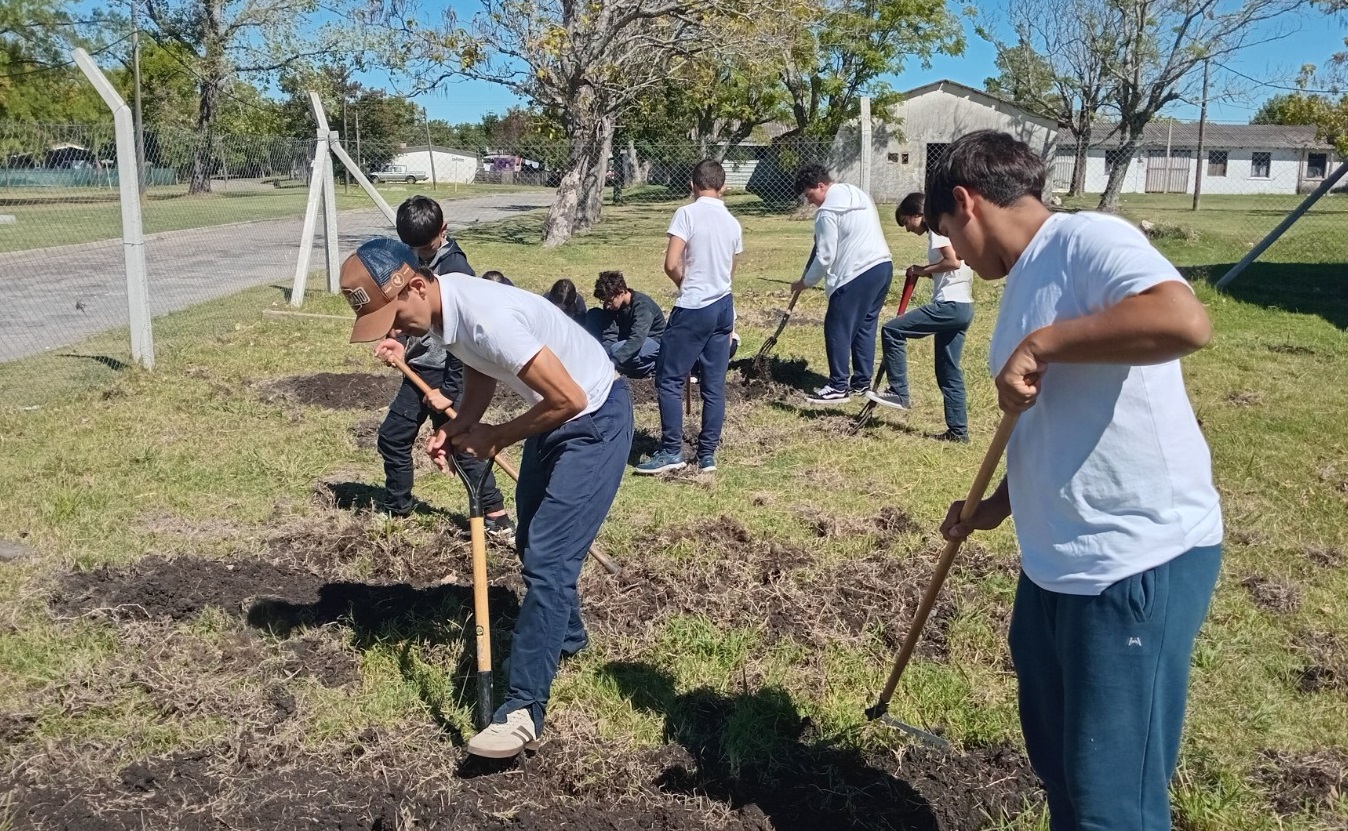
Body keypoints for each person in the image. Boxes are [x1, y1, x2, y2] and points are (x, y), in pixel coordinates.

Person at [933, 130, 1222, 831]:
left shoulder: (1086, 238)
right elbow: (1047, 412)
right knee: (1063, 774)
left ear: (966, 202)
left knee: (1111, 803)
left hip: (1131, 561)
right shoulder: (1026, 275)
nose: (956, 255)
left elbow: (1184, 320)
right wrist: (997, 503)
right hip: (1055, 566)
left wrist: (1043, 343)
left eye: (948, 234)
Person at [342, 237, 634, 759]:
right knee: (530, 541)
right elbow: (480, 367)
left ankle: (522, 709)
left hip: (594, 419)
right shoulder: (449, 311)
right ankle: (566, 638)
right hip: (558, 417)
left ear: (416, 285)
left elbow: (568, 397)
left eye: (393, 316)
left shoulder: (485, 316)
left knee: (548, 559)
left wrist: (497, 436)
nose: (392, 331)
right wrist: (466, 426)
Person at [381, 196, 513, 540]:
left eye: (426, 247)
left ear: (444, 230)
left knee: (460, 443)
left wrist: (450, 391)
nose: (421, 255)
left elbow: (464, 339)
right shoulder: (408, 255)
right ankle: (398, 509)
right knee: (394, 438)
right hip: (420, 363)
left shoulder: (456, 270)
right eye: (414, 248)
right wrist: (395, 335)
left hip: (446, 371)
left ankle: (497, 518)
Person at [635, 159, 740, 475]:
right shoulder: (733, 222)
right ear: (723, 187)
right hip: (724, 306)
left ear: (693, 185)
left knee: (668, 378)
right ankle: (707, 453)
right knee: (714, 385)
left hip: (694, 308)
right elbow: (730, 270)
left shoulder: (687, 214)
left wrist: (687, 283)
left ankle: (671, 450)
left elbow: (670, 263)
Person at [866, 192, 975, 443]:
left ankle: (898, 392)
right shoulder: (948, 228)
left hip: (950, 305)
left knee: (892, 330)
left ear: (918, 214)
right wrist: (924, 273)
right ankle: (958, 433)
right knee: (949, 371)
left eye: (906, 221)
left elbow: (953, 262)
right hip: (963, 307)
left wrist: (922, 270)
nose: (906, 229)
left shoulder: (937, 229)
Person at [789, 164, 894, 404]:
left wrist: (806, 282)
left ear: (821, 185)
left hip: (855, 274)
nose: (810, 201)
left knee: (837, 327)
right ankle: (861, 382)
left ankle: (838, 386)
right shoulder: (857, 193)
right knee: (865, 327)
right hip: (881, 267)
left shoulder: (827, 212)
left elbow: (825, 255)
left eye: (810, 195)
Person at [586, 271, 666, 379]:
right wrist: (605, 358)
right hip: (627, 340)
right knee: (594, 314)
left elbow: (637, 339)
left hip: (653, 343)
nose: (607, 306)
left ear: (621, 293)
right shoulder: (613, 307)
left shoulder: (642, 306)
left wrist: (613, 362)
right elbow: (610, 334)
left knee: (616, 350)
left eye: (609, 301)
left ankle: (653, 366)